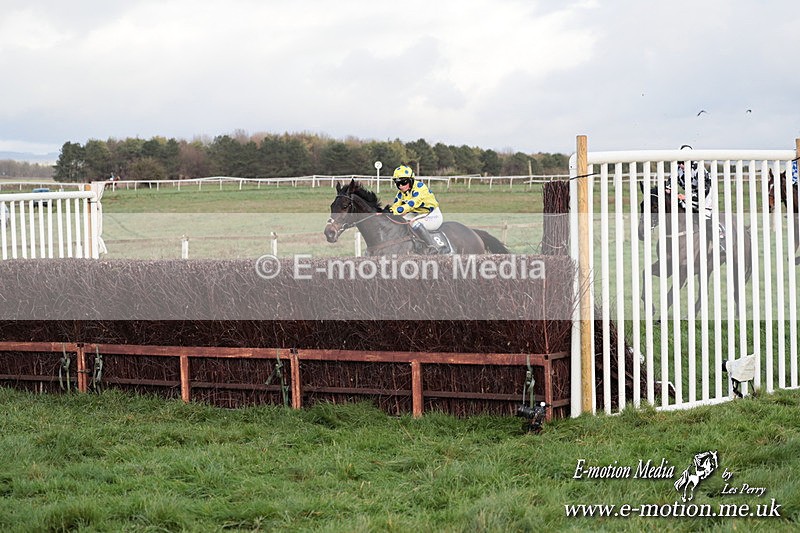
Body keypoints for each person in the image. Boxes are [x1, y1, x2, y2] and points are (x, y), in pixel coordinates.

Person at [666, 145, 724, 250]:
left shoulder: (699, 169)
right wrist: (669, 191)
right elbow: (669, 185)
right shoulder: (677, 169)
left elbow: (704, 191)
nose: (681, 165)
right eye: (679, 162)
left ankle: (719, 241)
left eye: (682, 163)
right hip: (689, 194)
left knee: (704, 217)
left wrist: (685, 197)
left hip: (705, 197)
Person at [388, 164, 446, 254]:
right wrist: (386, 212)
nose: (400, 186)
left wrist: (392, 211)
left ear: (411, 180)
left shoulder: (420, 187)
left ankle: (432, 247)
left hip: (432, 215)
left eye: (403, 182)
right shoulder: (401, 193)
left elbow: (411, 205)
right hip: (418, 214)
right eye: (397, 183)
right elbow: (395, 206)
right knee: (400, 221)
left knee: (414, 223)